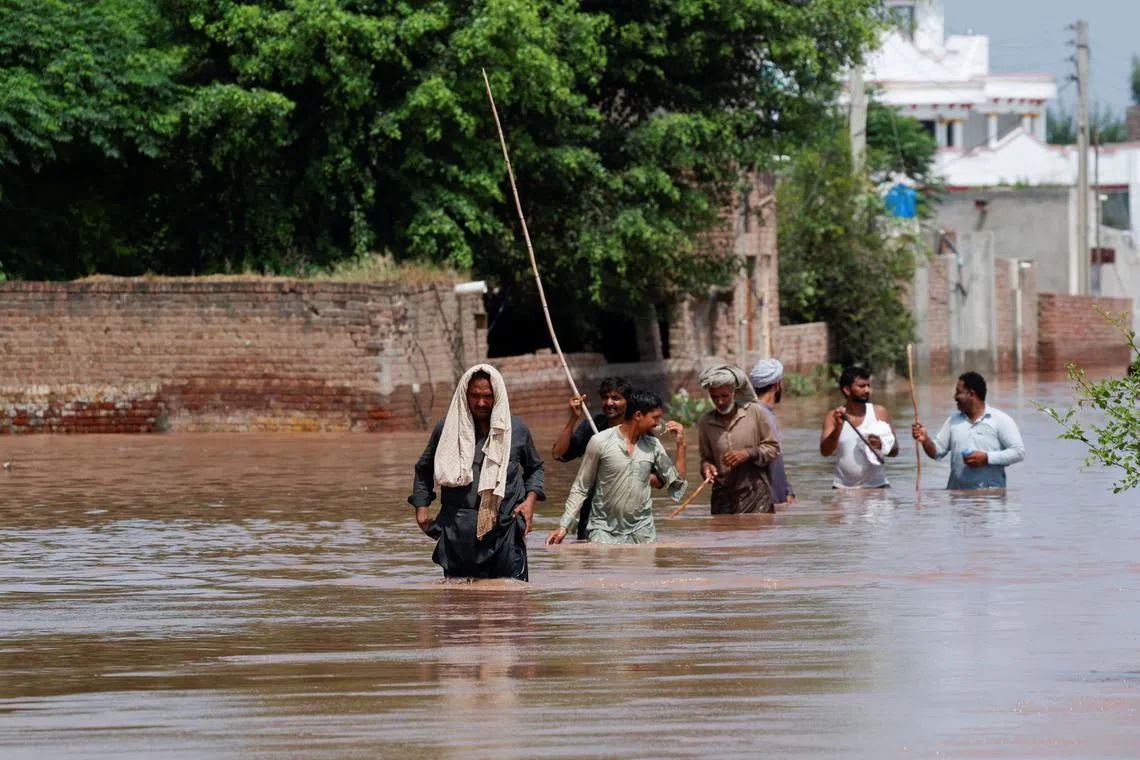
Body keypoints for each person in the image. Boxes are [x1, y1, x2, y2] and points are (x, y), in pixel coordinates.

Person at [408, 365, 545, 581]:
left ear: (497, 395)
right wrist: (421, 513)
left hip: (506, 530)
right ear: (465, 394)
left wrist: (530, 501)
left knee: (512, 604)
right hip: (458, 532)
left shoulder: (516, 429)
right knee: (460, 606)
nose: (481, 403)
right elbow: (424, 470)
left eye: (487, 396)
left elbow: (535, 468)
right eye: (474, 396)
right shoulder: (446, 430)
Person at [547, 389, 688, 545]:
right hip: (603, 531)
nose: (658, 424)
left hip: (642, 531)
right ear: (638, 416)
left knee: (645, 569)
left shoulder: (653, 445)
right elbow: (581, 487)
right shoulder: (600, 441)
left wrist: (681, 444)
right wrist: (564, 526)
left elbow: (676, 481)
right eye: (655, 418)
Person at [911, 371, 1025, 490]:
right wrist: (925, 440)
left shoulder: (1000, 420)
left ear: (971, 394)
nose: (955, 397)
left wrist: (986, 458)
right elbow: (937, 453)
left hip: (991, 499)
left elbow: (1018, 452)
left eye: (958, 392)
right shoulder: (953, 421)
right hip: (958, 498)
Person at [697, 364, 781, 514]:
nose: (720, 402)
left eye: (724, 396)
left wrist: (748, 453)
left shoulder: (754, 412)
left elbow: (773, 448)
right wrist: (707, 468)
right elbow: (706, 458)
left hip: (756, 494)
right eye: (714, 397)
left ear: (734, 393)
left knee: (757, 534)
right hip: (722, 497)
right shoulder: (705, 422)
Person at [819, 365, 900, 489]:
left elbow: (895, 451)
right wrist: (838, 427)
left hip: (878, 487)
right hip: (843, 489)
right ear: (847, 390)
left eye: (868, 386)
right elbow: (825, 451)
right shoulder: (833, 416)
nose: (867, 390)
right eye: (862, 386)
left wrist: (881, 444)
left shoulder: (879, 412)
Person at [749, 358, 795, 505]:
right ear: (777, 385)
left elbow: (775, 458)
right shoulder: (760, 414)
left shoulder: (760, 412)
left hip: (775, 499)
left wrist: (787, 491)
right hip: (765, 502)